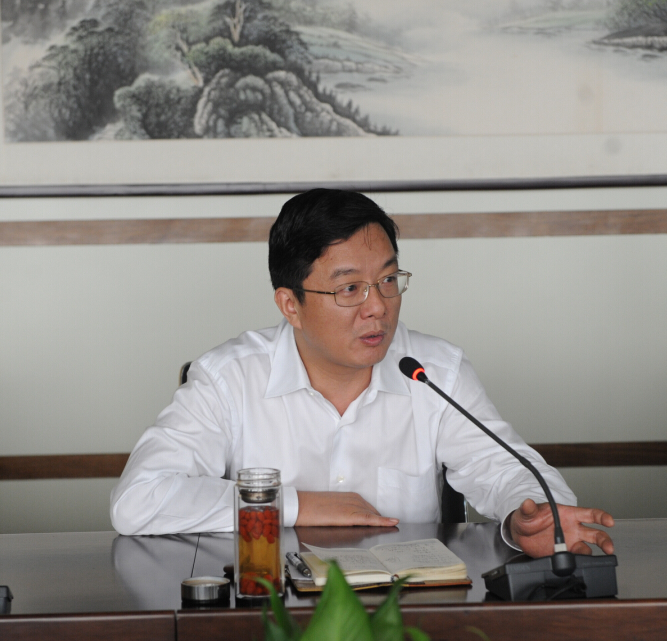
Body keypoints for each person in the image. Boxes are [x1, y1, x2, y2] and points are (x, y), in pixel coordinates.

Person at [110, 189, 614, 557]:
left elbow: (506, 470)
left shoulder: (434, 372)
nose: (378, 307)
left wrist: (531, 518)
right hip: (268, 618)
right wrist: (295, 506)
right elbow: (138, 499)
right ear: (290, 304)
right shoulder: (229, 379)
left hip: (407, 617)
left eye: (389, 280)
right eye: (349, 289)